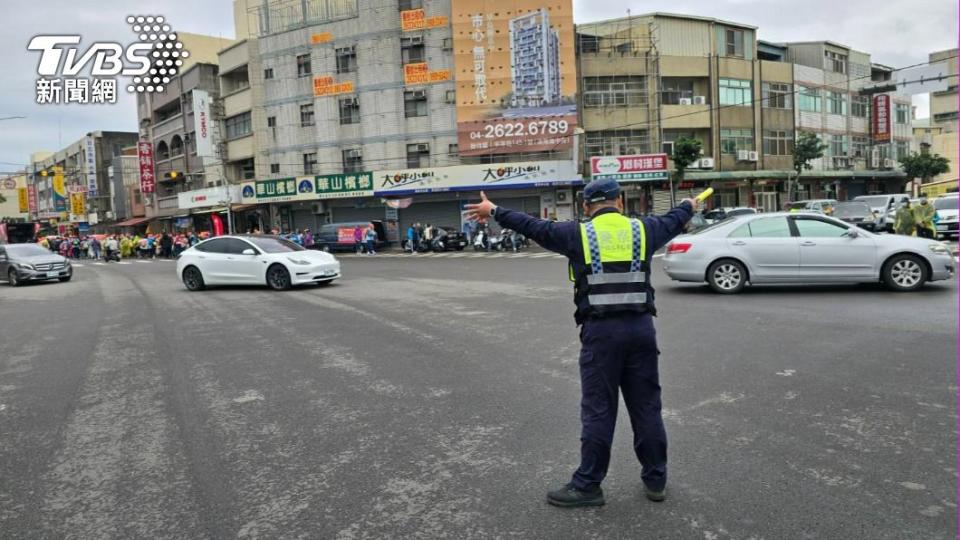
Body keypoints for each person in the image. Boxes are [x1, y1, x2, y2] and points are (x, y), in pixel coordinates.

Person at [465, 179, 696, 508]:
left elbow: (534, 226)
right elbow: (675, 218)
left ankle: (588, 484)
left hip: (601, 333)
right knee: (647, 407)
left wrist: (495, 211)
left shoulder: (577, 234)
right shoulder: (645, 230)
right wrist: (688, 205)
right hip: (641, 329)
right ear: (619, 202)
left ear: (586, 207)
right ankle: (656, 479)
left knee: (598, 409)